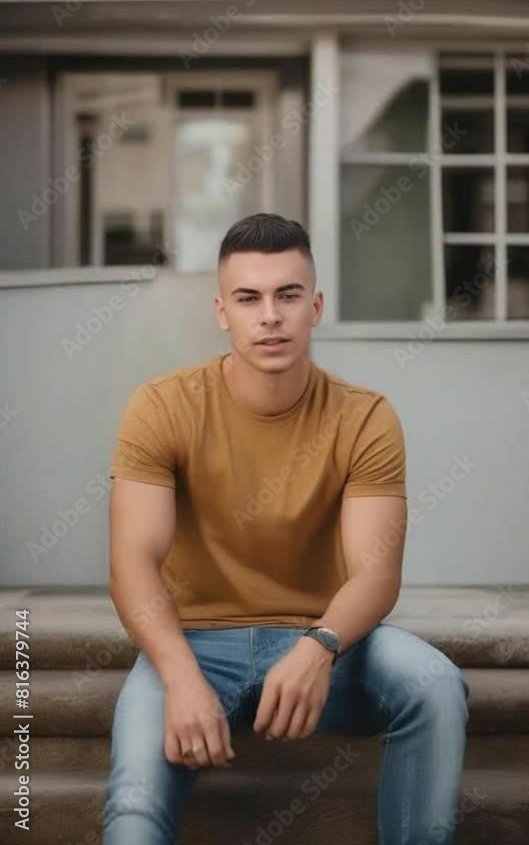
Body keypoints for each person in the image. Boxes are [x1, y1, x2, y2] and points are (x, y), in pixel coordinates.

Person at [103, 212, 470, 844]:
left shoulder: (365, 418)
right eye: (249, 298)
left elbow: (376, 573)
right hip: (192, 645)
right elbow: (131, 562)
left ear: (315, 306)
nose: (269, 315)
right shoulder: (161, 406)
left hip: (326, 646)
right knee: (133, 811)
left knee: (436, 686)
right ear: (223, 312)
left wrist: (319, 646)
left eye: (288, 295)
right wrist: (181, 677)